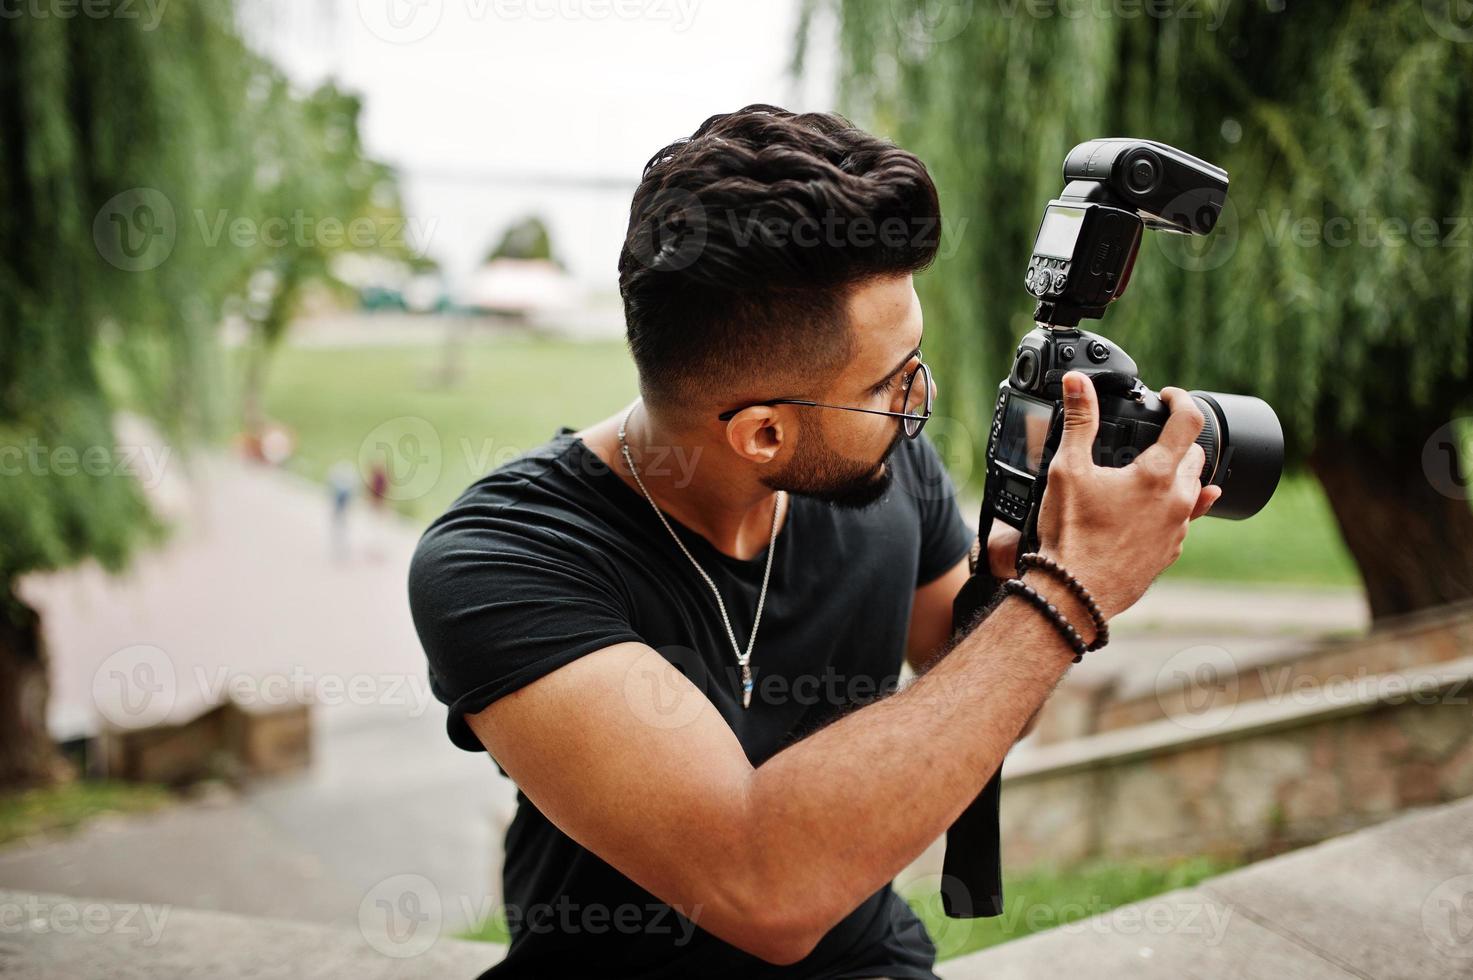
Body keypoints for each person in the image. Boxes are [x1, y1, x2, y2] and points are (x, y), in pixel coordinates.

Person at [407, 105, 1219, 979]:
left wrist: (1022, 576)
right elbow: (762, 886)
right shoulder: (501, 563)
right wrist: (1066, 594)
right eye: (890, 381)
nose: (921, 400)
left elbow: (987, 706)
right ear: (762, 434)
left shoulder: (883, 467)